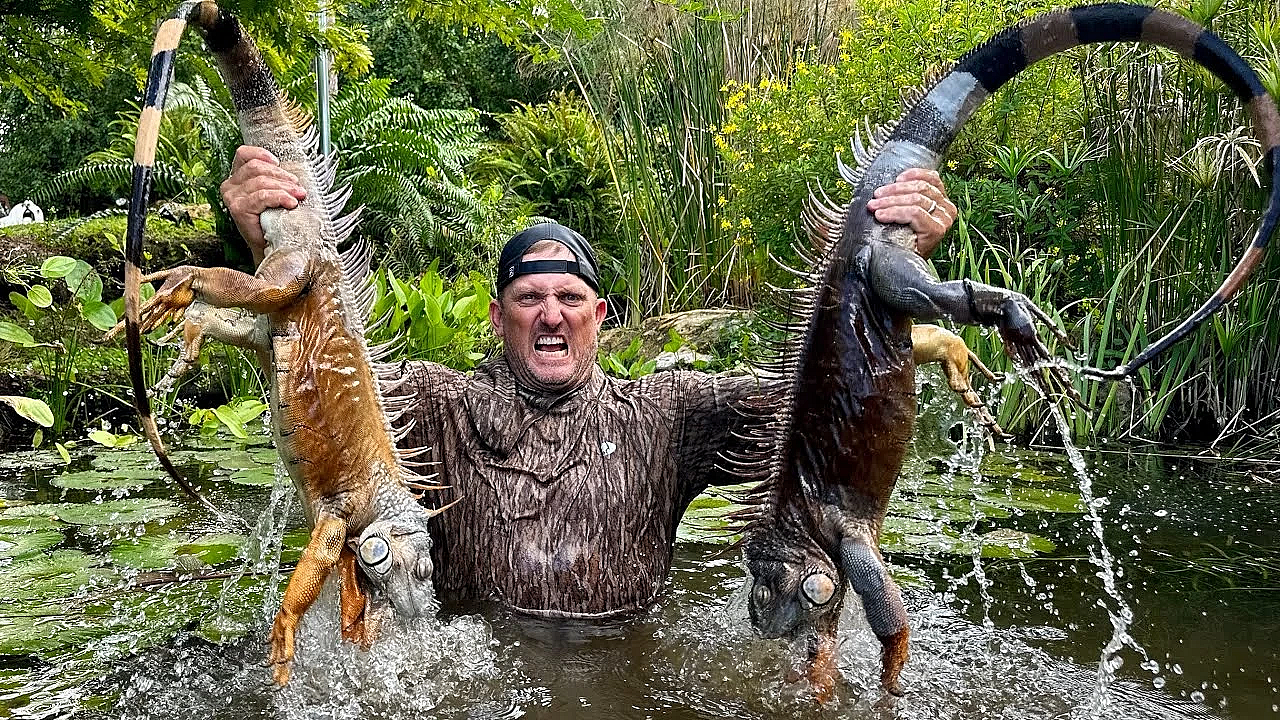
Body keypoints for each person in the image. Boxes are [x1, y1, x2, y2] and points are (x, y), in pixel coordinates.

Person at [220, 145, 957, 618]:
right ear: (496, 314)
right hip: (477, 680)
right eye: (528, 298)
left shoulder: (670, 413)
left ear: (599, 315)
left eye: (569, 298)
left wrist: (885, 265)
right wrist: (271, 243)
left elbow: (810, 396)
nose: (550, 314)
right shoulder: (433, 403)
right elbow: (330, 368)